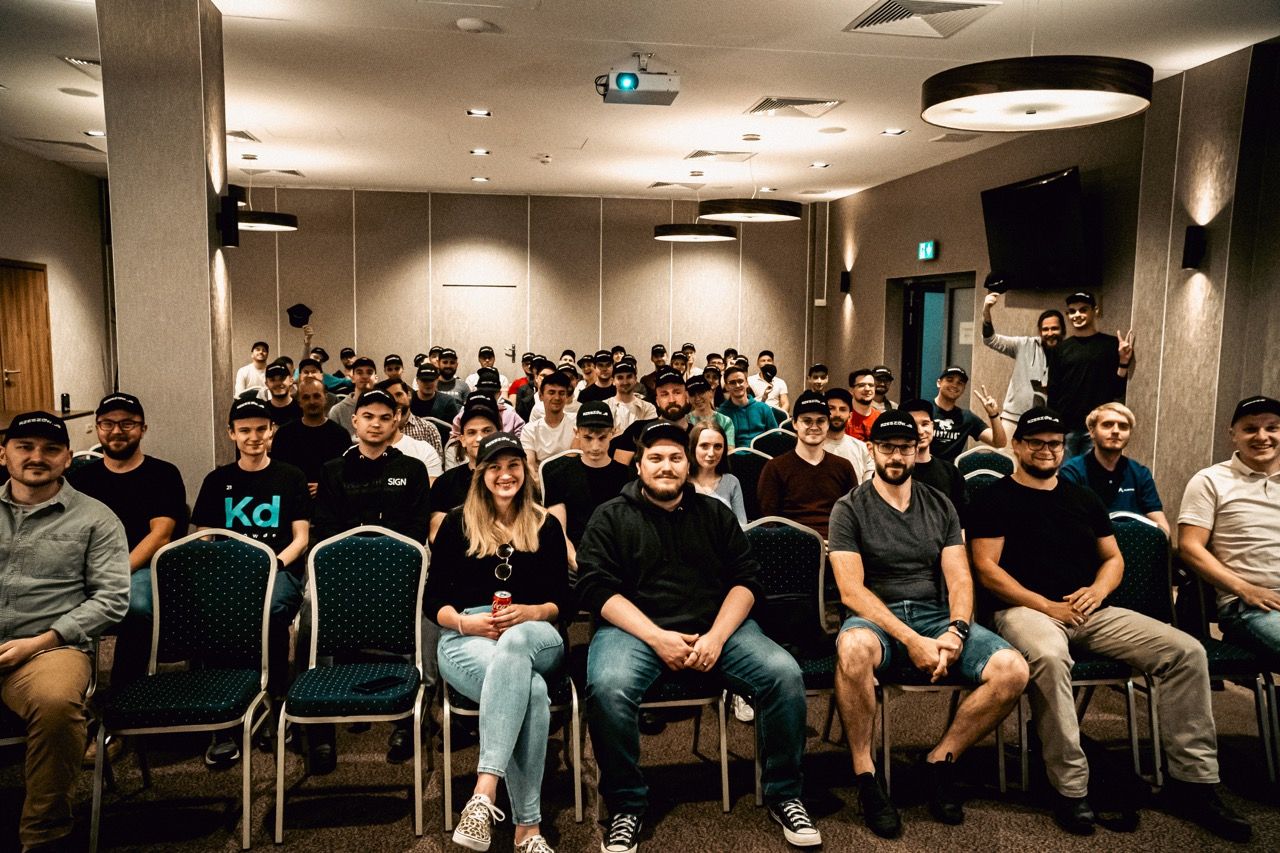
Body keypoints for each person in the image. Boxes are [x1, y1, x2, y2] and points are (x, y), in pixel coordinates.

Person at [969, 407, 1250, 841]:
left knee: (1186, 651)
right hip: (1024, 609)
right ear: (1019, 446)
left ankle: (1193, 782)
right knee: (1047, 654)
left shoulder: (1082, 497)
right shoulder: (994, 496)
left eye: (1055, 443)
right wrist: (1046, 605)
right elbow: (987, 569)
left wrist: (1098, 592)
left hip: (1088, 609)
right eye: (1037, 443)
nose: (1047, 450)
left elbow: (1113, 559)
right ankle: (1070, 786)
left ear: (1064, 448)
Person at [578, 421, 822, 852]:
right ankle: (626, 806)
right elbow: (596, 590)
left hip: (718, 628)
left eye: (675, 457)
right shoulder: (610, 516)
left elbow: (747, 581)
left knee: (783, 674)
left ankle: (785, 793)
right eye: (655, 458)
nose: (666, 466)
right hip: (634, 631)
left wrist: (715, 637)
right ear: (638, 466)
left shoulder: (714, 513)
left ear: (687, 463)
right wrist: (657, 638)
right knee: (608, 687)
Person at [830, 411, 1028, 836]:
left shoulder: (940, 504)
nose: (897, 456)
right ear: (872, 450)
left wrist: (956, 630)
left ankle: (940, 760)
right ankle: (866, 775)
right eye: (888, 448)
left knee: (1012, 670)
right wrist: (912, 640)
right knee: (852, 649)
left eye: (904, 448)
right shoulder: (849, 508)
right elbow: (851, 591)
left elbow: (959, 577)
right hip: (875, 616)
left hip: (934, 614)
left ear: (917, 450)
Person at [426, 433, 571, 853]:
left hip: (536, 632)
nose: (505, 474)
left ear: (525, 472)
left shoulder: (546, 524)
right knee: (533, 691)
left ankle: (483, 790)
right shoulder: (456, 524)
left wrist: (529, 612)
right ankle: (529, 830)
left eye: (513, 465)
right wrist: (466, 625)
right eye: (495, 466)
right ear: (481, 473)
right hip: (467, 633)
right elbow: (434, 602)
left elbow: (564, 600)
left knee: (518, 642)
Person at [0, 412, 129, 852]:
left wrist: (40, 642)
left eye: (50, 449)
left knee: (55, 704)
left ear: (68, 459)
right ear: (4, 454)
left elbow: (112, 599)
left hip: (50, 647)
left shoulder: (96, 518)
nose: (37, 457)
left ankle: (44, 835)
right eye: (25, 447)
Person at [307, 388, 433, 771]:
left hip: (400, 576)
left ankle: (406, 720)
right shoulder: (333, 470)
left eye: (384, 417)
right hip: (343, 578)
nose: (375, 423)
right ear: (355, 421)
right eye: (368, 416)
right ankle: (319, 730)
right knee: (309, 616)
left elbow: (415, 530)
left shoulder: (411, 469)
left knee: (426, 617)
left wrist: (381, 554)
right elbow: (326, 529)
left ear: (396, 421)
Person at [190, 398, 310, 767]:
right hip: (228, 573)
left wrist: (270, 564)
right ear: (232, 434)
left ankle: (275, 702)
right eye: (245, 430)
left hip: (278, 569)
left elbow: (301, 538)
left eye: (261, 429)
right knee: (209, 610)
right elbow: (204, 535)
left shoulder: (290, 476)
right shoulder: (217, 479)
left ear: (272, 431)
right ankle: (223, 716)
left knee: (271, 609)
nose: (253, 437)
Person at [69, 394, 187, 690]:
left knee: (134, 606)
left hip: (140, 568)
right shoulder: (81, 479)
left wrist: (115, 574)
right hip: (86, 567)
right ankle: (69, 687)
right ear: (97, 427)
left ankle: (125, 693)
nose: (117, 431)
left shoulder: (162, 474)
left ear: (143, 429)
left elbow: (160, 534)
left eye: (127, 424)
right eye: (107, 423)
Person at [1178, 396, 1280, 663]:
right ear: (1233, 434)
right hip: (1252, 605)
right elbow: (1190, 547)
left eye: (1272, 428)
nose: (1263, 436)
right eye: (1250, 429)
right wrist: (1245, 589)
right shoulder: (1210, 481)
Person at [543, 401, 632, 569]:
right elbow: (558, 530)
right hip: (574, 561)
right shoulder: (558, 474)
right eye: (588, 438)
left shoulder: (627, 476)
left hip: (617, 563)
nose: (595, 446)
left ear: (612, 433)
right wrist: (576, 562)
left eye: (602, 438)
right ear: (576, 432)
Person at [1046, 292, 1135, 458]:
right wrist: (1054, 428)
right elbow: (1053, 391)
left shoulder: (1111, 346)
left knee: (1094, 479)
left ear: (1095, 310)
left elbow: (1117, 390)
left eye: (1082, 309)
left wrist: (1123, 361)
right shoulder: (1060, 349)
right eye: (1072, 311)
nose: (1077, 315)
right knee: (1067, 478)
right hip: (1067, 428)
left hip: (1099, 427)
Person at [757, 393, 857, 538]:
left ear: (828, 424)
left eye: (821, 421)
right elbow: (768, 520)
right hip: (791, 545)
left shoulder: (843, 466)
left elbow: (852, 515)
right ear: (795, 423)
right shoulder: (775, 467)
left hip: (835, 544)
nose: (814, 427)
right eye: (807, 421)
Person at [1060, 402, 1167, 533]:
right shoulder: (1072, 471)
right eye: (1107, 425)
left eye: (1123, 427)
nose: (1116, 431)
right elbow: (1068, 525)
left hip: (1133, 547)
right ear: (1092, 431)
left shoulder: (1140, 473)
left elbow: (1161, 525)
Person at [981, 292, 1063, 431]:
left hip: (1046, 421)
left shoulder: (1068, 353)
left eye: (1054, 328)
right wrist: (986, 312)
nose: (1050, 333)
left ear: (1063, 330)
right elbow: (991, 340)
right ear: (1040, 331)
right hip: (1013, 419)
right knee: (1006, 453)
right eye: (1045, 329)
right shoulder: (1024, 345)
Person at [430, 399, 501, 542]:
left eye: (487, 431)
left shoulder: (511, 480)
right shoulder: (445, 483)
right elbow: (436, 536)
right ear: (462, 440)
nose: (480, 438)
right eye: (471, 432)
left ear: (499, 434)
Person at [271, 378, 352, 497]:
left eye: (316, 396)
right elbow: (277, 472)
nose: (312, 401)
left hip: (330, 502)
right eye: (306, 397)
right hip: (293, 499)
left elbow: (347, 474)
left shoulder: (340, 435)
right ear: (299, 401)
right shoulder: (284, 434)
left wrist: (324, 487)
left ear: (326, 398)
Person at [897, 399, 966, 518]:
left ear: (932, 426)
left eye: (925, 424)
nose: (920, 431)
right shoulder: (893, 470)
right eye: (913, 425)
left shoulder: (951, 473)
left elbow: (961, 521)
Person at [611, 368, 692, 467]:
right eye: (664, 394)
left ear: (687, 397)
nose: (672, 400)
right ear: (657, 401)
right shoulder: (637, 430)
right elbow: (618, 473)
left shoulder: (699, 436)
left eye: (677, 392)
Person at [929, 366, 1006, 462]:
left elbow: (999, 443)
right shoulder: (924, 410)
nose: (954, 385)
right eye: (950, 380)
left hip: (950, 474)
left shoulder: (967, 417)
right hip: (921, 471)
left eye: (960, 383)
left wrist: (994, 415)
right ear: (939, 383)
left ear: (964, 388)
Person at [376, 379, 444, 481]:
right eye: (389, 397)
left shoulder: (428, 429)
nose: (395, 400)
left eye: (399, 394)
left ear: (409, 395)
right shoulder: (373, 436)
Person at [688, 420, 746, 526]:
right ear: (693, 448)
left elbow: (741, 526)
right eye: (704, 446)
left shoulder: (731, 481)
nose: (711, 453)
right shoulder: (681, 482)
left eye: (718, 447)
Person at [520, 369, 576, 470]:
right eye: (551, 392)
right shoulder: (530, 430)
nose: (557, 397)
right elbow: (530, 466)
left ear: (567, 396)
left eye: (562, 393)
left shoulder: (576, 422)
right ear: (541, 396)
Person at [718, 364, 778, 449]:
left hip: (762, 457)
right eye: (732, 382)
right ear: (727, 387)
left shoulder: (763, 408)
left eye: (740, 381)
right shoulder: (721, 413)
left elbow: (776, 438)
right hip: (734, 458)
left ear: (747, 383)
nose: (737, 385)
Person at [451, 374, 526, 440]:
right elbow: (454, 443)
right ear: (477, 391)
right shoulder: (462, 415)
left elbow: (522, 442)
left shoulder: (510, 415)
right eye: (484, 392)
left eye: (492, 394)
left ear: (499, 394)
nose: (487, 396)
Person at [822, 388, 873, 483]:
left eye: (842, 409)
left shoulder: (862, 449)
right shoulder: (813, 447)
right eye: (831, 408)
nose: (837, 414)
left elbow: (867, 488)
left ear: (850, 416)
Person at [328, 355, 378, 438]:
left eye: (369, 372)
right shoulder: (337, 411)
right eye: (359, 372)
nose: (365, 376)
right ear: (353, 378)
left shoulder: (383, 408)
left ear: (376, 378)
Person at [608, 358, 656, 435]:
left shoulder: (648, 408)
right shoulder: (605, 407)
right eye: (620, 377)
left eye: (629, 377)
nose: (625, 382)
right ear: (613, 381)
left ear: (635, 379)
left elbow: (649, 438)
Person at [686, 375, 735, 449]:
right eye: (692, 394)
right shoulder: (685, 421)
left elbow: (729, 449)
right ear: (688, 398)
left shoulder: (725, 421)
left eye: (701, 392)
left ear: (710, 393)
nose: (697, 398)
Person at [844, 369, 881, 442]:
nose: (867, 389)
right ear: (851, 390)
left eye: (871, 385)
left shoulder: (880, 418)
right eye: (861, 385)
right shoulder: (844, 418)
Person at [263, 360, 303, 425]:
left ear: (291, 381)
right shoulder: (262, 411)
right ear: (266, 384)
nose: (278, 383)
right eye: (272, 380)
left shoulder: (302, 409)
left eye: (282, 378)